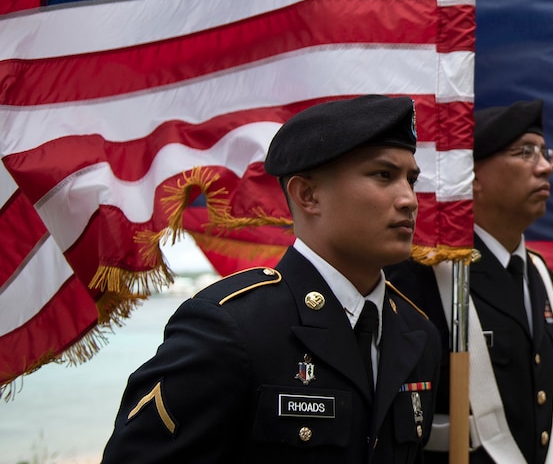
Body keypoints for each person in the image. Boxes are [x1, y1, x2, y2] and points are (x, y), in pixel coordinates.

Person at [102, 94, 442, 462]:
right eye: (383, 175)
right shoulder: (232, 327)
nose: (409, 199)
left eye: (411, 179)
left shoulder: (416, 333)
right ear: (308, 195)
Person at [386, 99, 553, 464]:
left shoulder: (542, 277)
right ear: (473, 177)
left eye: (545, 152)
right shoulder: (425, 273)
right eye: (525, 152)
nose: (545, 166)